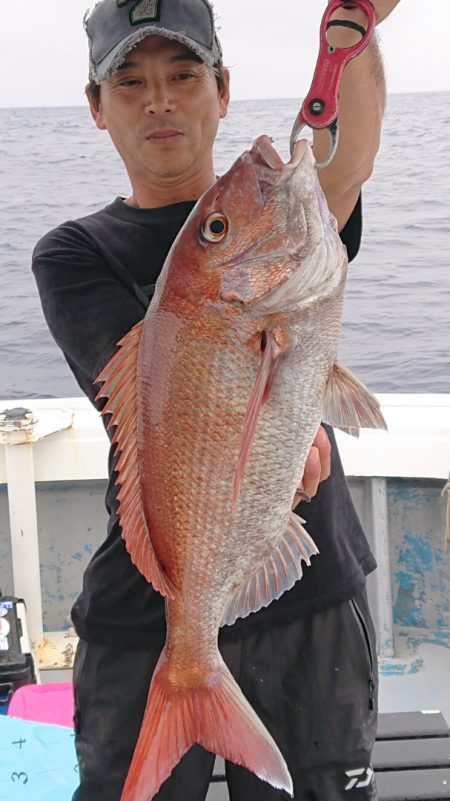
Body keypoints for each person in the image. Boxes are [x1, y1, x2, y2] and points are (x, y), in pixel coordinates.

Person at [32, 1, 401, 799]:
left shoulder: (282, 228)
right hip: (150, 608)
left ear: (223, 90)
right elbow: (147, 404)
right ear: (97, 108)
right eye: (129, 81)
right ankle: (188, 668)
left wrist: (355, 29)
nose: (159, 98)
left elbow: (350, 159)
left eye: (184, 74)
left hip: (312, 596)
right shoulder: (73, 253)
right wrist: (282, 443)